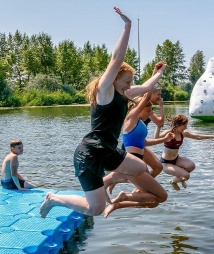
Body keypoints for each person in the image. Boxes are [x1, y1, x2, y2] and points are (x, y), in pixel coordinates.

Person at [40, 7, 168, 219]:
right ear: (114, 78)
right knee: (96, 209)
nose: (129, 85)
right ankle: (54, 199)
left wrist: (158, 74)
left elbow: (146, 87)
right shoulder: (105, 91)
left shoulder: (123, 93)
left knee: (139, 166)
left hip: (107, 150)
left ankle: (110, 180)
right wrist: (127, 26)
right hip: (89, 154)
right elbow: (117, 58)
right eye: (127, 80)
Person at [103, 85, 175, 217]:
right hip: (132, 166)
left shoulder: (140, 123)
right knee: (162, 196)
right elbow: (147, 96)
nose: (149, 114)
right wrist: (155, 75)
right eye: (148, 111)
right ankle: (121, 192)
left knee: (153, 202)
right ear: (139, 108)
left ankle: (120, 201)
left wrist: (164, 138)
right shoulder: (131, 119)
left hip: (138, 165)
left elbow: (144, 142)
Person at [158, 114, 214, 191]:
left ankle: (177, 180)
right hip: (166, 163)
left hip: (176, 159)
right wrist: (158, 127)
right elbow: (156, 138)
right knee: (186, 175)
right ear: (178, 125)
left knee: (191, 166)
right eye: (184, 126)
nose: (186, 128)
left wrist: (213, 136)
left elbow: (197, 136)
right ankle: (174, 182)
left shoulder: (183, 133)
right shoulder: (168, 133)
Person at [142, 83, 165, 178]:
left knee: (158, 167)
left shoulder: (148, 107)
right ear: (150, 93)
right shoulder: (144, 106)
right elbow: (160, 123)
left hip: (141, 143)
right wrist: (161, 106)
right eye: (158, 94)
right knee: (144, 174)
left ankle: (141, 189)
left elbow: (160, 124)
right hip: (135, 143)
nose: (159, 97)